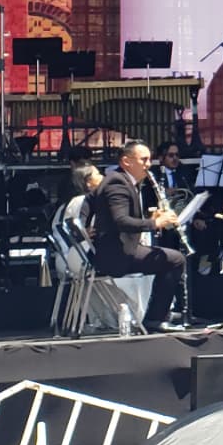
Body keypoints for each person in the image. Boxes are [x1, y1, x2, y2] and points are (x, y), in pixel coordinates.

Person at [90, 139, 186, 332]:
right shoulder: (118, 183)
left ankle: (156, 315)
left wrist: (153, 218)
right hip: (116, 255)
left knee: (170, 257)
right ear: (126, 161)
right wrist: (155, 223)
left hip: (116, 250)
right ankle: (155, 317)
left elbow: (92, 202)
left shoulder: (119, 180)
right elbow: (121, 221)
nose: (148, 165)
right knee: (175, 260)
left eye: (149, 159)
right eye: (143, 160)